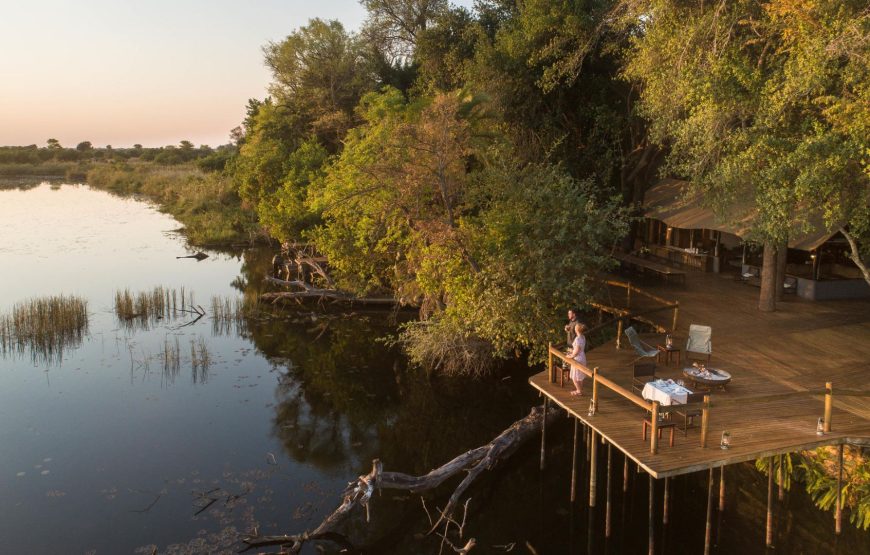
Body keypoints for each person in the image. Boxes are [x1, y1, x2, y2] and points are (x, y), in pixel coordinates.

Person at [568, 322, 587, 396]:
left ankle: (578, 391)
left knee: (575, 377)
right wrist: (572, 351)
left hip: (578, 358)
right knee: (580, 375)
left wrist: (571, 356)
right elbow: (579, 349)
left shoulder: (578, 339)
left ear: (576, 330)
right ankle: (579, 389)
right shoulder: (583, 337)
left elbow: (577, 351)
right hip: (582, 356)